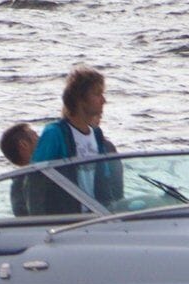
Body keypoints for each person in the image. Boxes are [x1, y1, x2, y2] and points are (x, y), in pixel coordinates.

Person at [27, 67, 121, 209]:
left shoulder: (96, 134)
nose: (103, 100)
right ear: (80, 99)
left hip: (97, 218)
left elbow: (106, 180)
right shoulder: (55, 133)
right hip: (68, 220)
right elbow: (35, 182)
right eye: (97, 94)